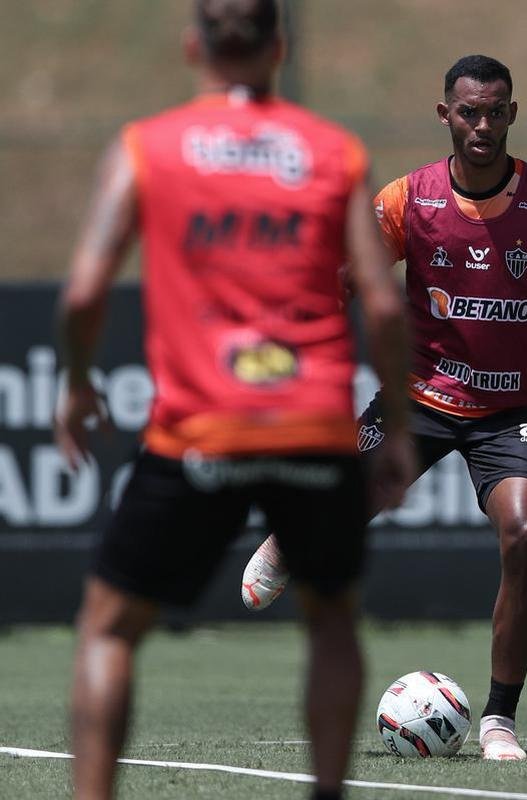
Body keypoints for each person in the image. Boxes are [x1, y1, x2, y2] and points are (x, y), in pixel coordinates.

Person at [55, 3, 415, 800]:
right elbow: (385, 309)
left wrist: (77, 381)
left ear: (194, 46)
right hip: (316, 428)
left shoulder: (148, 147)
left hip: (199, 433)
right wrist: (392, 420)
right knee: (329, 618)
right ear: (279, 47)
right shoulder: (334, 152)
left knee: (110, 629)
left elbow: (83, 292)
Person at [239, 54, 527, 761]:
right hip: (419, 399)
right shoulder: (406, 200)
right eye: (469, 112)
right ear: (446, 114)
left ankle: (500, 719)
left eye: (496, 111)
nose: (482, 125)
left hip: (510, 411)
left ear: (512, 113)